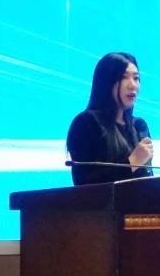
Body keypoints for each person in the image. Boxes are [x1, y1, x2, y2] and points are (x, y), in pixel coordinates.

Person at [66, 52, 154, 185]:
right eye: (124, 77)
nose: (132, 85)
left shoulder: (138, 126)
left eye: (136, 78)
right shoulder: (86, 123)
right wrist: (132, 162)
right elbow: (85, 182)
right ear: (106, 82)